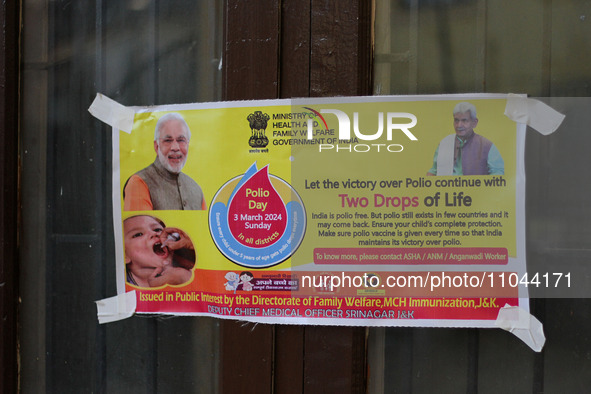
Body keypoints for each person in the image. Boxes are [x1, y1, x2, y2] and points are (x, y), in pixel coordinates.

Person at [124, 112, 206, 210]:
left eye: (181, 140)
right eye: (168, 140)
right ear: (156, 146)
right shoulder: (139, 183)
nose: (175, 147)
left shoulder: (196, 189)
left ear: (188, 144)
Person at [427, 102, 504, 176]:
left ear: (474, 123)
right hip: (446, 189)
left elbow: (497, 174)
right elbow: (434, 171)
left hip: (475, 189)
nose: (459, 125)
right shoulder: (444, 143)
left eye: (464, 120)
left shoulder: (487, 146)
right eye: (456, 120)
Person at [123, 215, 196, 287]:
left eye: (157, 229)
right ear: (125, 255)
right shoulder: (123, 284)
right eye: (138, 234)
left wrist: (184, 277)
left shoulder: (188, 269)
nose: (154, 233)